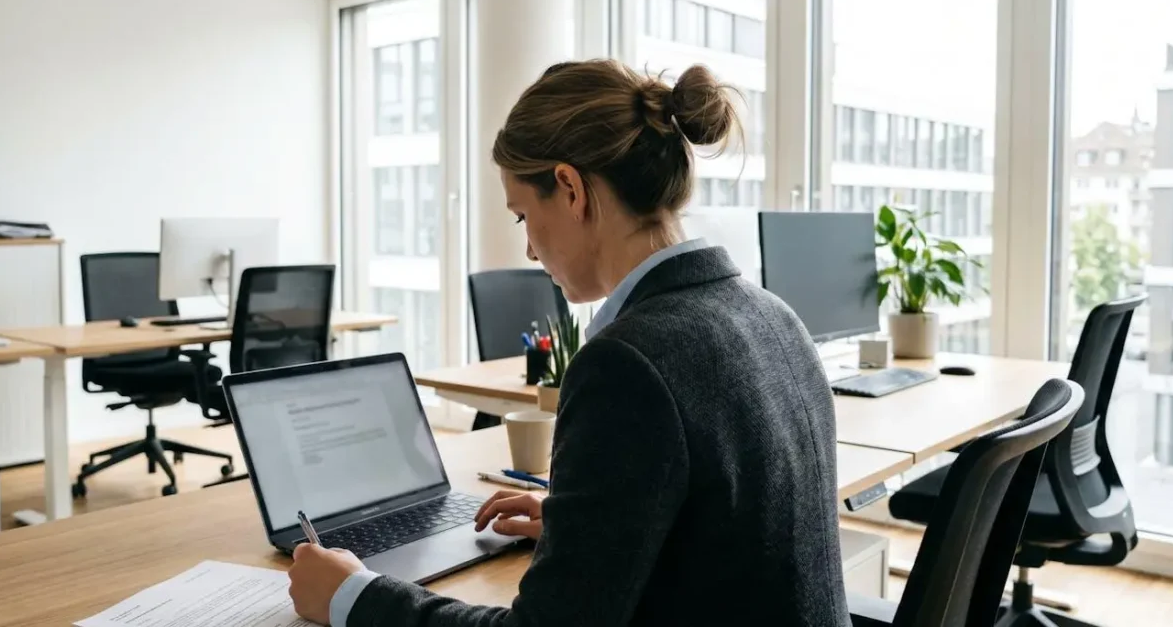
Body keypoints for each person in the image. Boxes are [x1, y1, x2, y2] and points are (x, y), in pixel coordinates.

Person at [288, 59, 851, 626]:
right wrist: (588, 527)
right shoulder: (775, 316)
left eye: (522, 217)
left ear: (571, 188)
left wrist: (353, 596)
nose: (530, 251)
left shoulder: (627, 363)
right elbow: (724, 535)